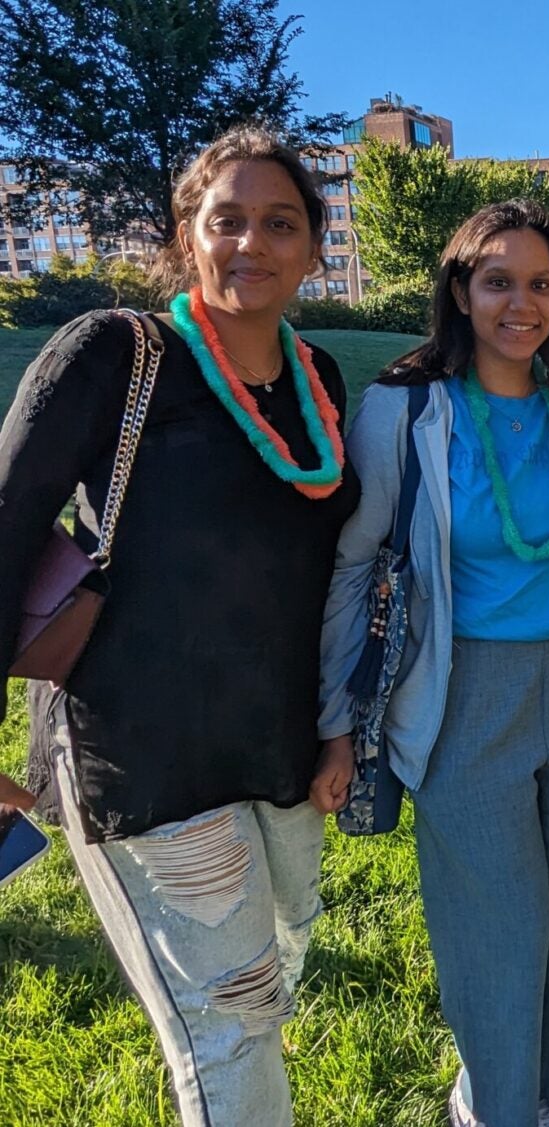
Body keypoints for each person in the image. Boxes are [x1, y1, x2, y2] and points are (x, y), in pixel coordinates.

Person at [0, 126, 360, 1125]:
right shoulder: (114, 354)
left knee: (275, 971)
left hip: (279, 747)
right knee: (228, 1013)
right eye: (228, 219)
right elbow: (5, 523)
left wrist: (337, 727)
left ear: (312, 247)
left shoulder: (317, 379)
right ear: (186, 237)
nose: (253, 241)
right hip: (144, 754)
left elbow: (328, 569)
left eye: (279, 222)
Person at [315, 199, 549, 1127]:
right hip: (458, 691)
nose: (521, 304)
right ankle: (494, 1099)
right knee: (497, 917)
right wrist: (333, 717)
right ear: (459, 290)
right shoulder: (406, 409)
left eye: (540, 285)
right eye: (498, 282)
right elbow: (355, 562)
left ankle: (547, 1081)